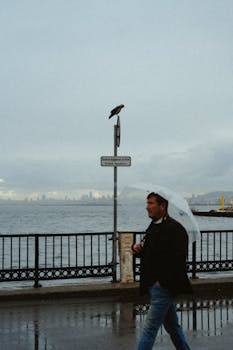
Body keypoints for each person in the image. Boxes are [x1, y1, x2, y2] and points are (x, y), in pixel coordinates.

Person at [132, 192, 192, 350]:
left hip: (163, 288)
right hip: (155, 286)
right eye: (147, 203)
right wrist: (137, 250)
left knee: (149, 330)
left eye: (151, 203)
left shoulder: (176, 230)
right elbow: (150, 254)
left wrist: (161, 283)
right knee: (173, 328)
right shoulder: (153, 227)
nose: (147, 207)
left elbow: (179, 261)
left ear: (162, 206)